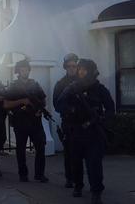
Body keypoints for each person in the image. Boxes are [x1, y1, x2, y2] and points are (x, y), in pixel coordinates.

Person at [56, 59, 115, 203]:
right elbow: (59, 105)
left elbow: (110, 108)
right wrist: (72, 110)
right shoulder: (71, 88)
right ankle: (78, 186)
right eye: (80, 69)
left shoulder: (100, 89)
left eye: (85, 69)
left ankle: (96, 191)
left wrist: (101, 119)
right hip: (75, 131)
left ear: (91, 71)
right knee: (75, 163)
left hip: (94, 132)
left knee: (94, 164)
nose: (81, 71)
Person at [4, 59, 49, 183]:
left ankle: (39, 174)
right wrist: (21, 101)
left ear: (29, 70)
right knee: (21, 149)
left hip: (35, 121)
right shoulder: (14, 86)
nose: (25, 72)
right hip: (21, 121)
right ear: (18, 71)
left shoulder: (34, 84)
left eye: (26, 69)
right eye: (22, 69)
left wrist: (40, 109)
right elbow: (6, 104)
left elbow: (43, 100)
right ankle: (23, 174)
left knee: (41, 146)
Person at [53, 53, 79, 188]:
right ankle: (69, 178)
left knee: (81, 152)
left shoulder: (83, 82)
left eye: (74, 66)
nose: (72, 68)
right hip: (69, 122)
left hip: (82, 123)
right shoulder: (60, 84)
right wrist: (70, 109)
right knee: (69, 152)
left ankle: (78, 178)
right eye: (69, 66)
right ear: (65, 67)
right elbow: (56, 105)